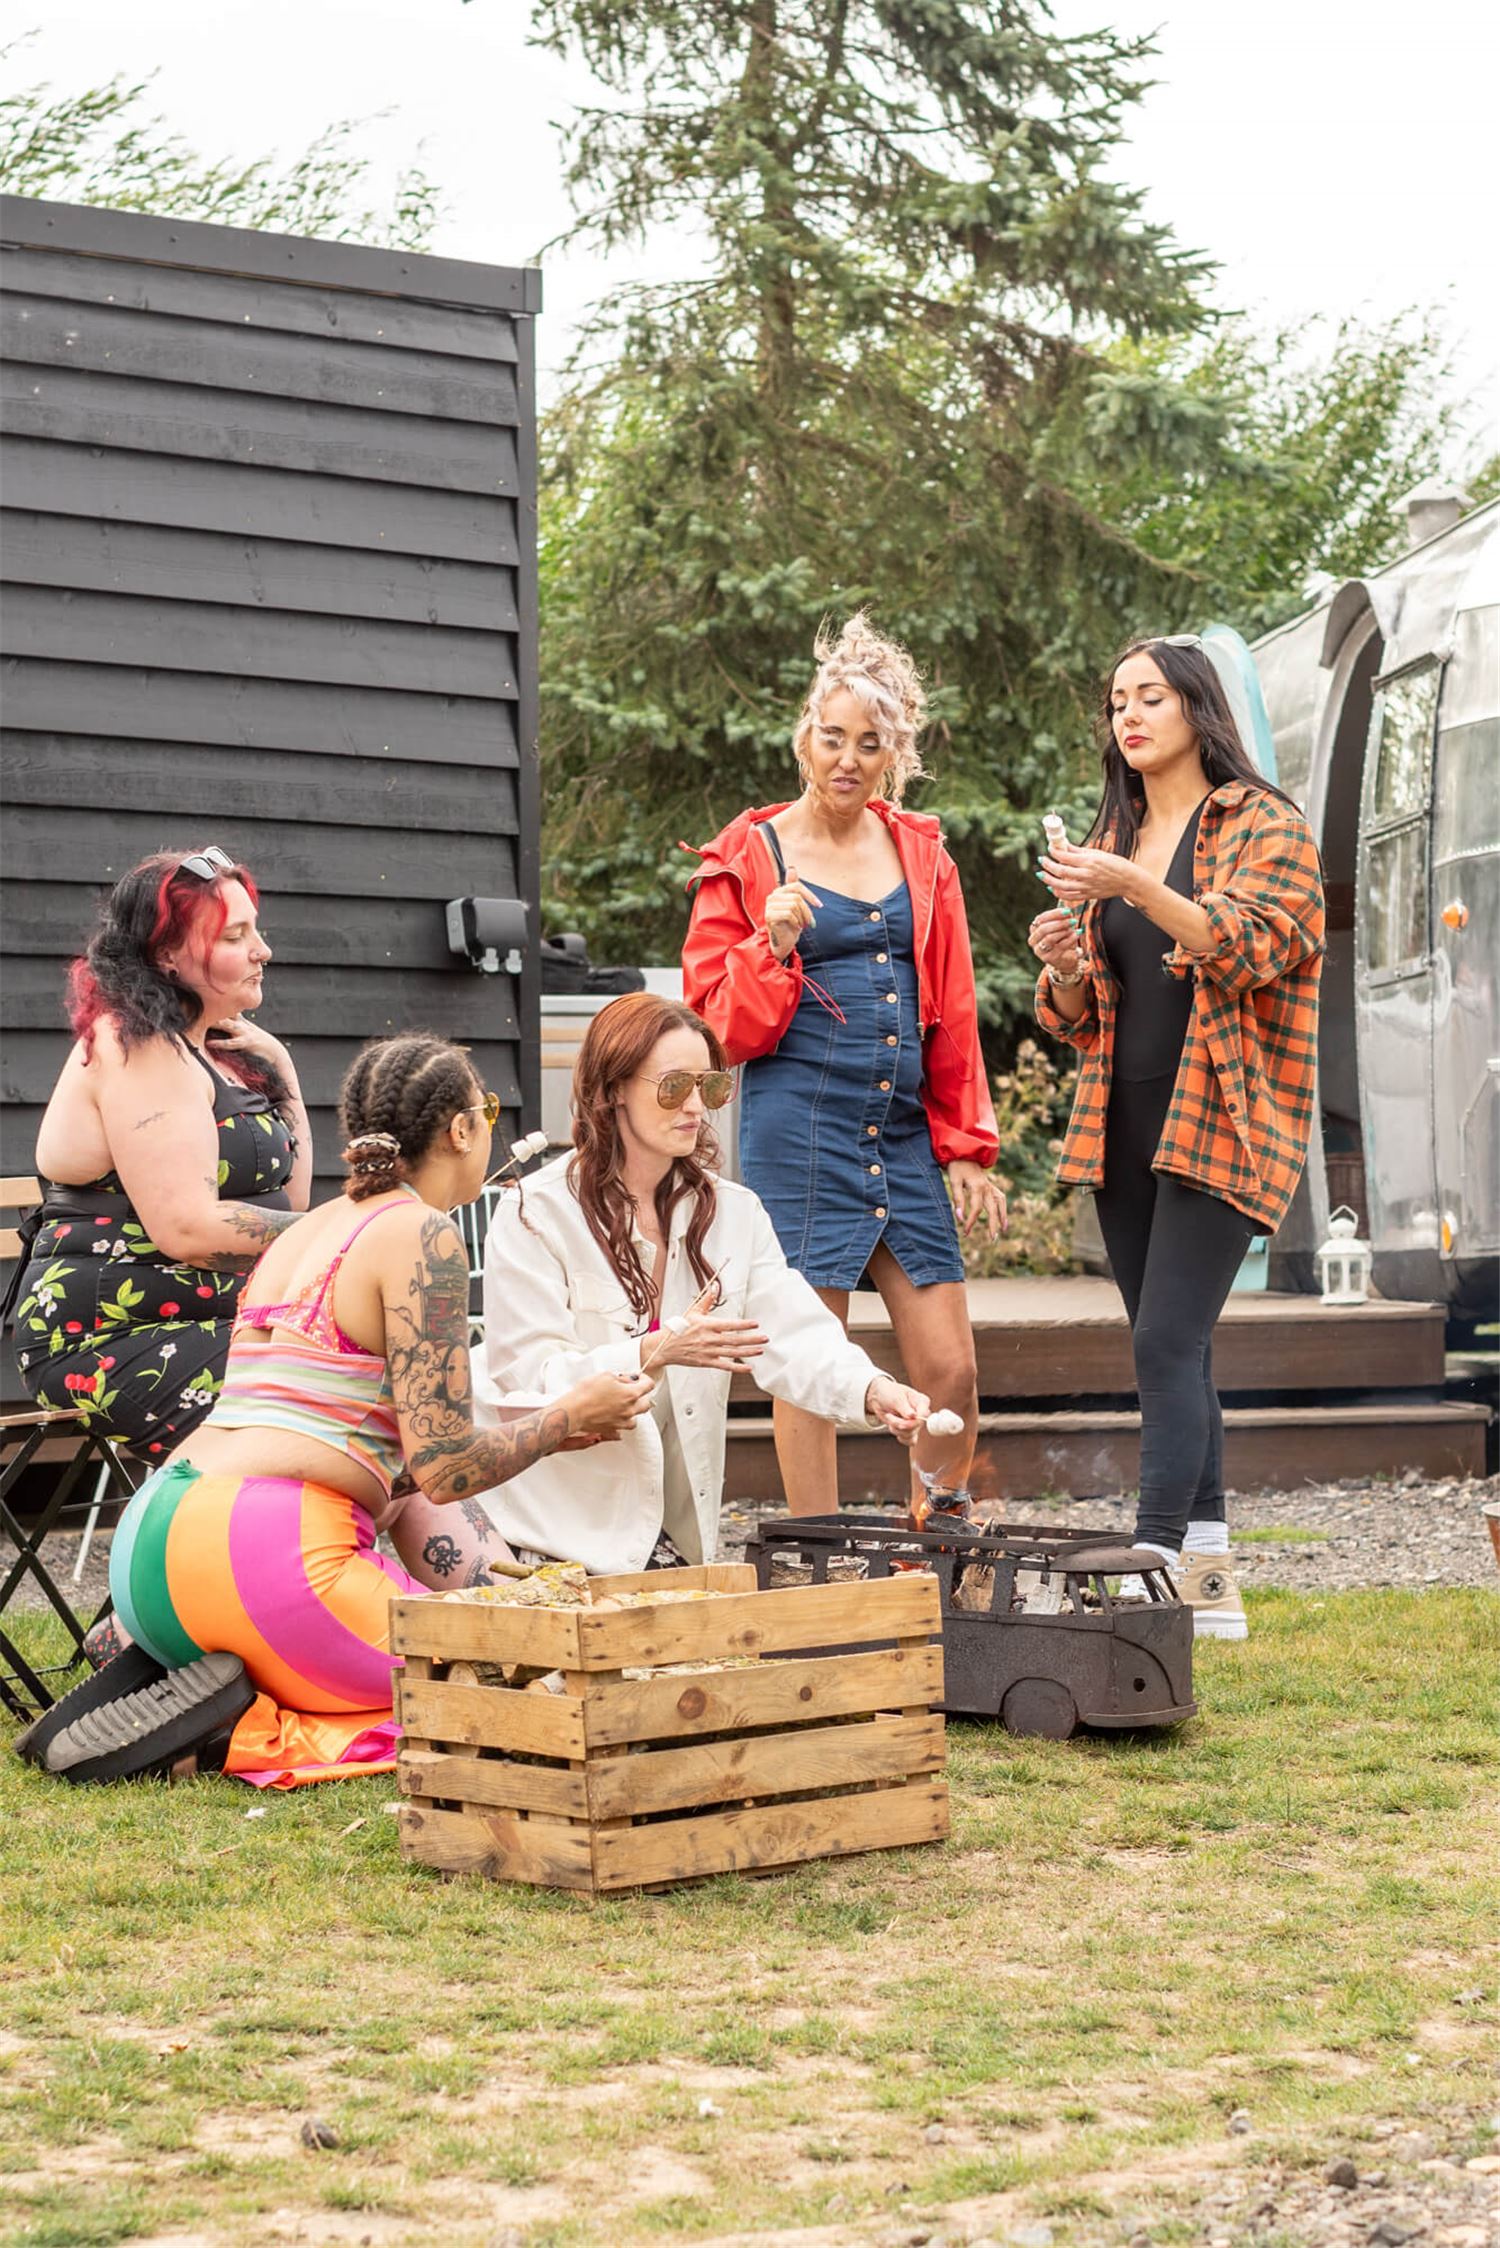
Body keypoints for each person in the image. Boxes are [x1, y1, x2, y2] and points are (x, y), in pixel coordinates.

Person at [18, 1034, 654, 1786]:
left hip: (157, 1545)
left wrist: (550, 1430)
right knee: (509, 1687)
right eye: (487, 1111)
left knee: (475, 1659)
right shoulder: (423, 1234)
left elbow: (363, 1452)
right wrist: (563, 1417)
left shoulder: (310, 1231)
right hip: (264, 1557)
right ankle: (230, 1733)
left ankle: (198, 1678)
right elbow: (446, 1470)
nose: (492, 1129)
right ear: (459, 1130)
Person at [1029, 634, 1324, 1639]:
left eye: (1150, 695)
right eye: (1118, 700)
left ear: (1198, 707)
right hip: (1124, 1122)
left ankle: (1149, 1571)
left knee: (1165, 1338)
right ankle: (1208, 1591)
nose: (1130, 714)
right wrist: (1067, 958)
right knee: (1179, 1353)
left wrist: (1135, 887)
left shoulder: (1262, 823)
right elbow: (1079, 1017)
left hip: (1226, 1115)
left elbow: (1251, 943)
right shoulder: (1116, 830)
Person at [681, 613, 1003, 1518]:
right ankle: (818, 1559)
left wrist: (967, 1143)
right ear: (804, 739)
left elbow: (955, 1005)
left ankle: (939, 1545)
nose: (848, 759)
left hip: (898, 1135)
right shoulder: (750, 856)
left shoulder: (921, 853)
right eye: (833, 738)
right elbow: (718, 1027)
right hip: (801, 1128)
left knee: (951, 1365)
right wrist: (773, 941)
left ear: (893, 753)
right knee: (811, 1357)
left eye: (871, 743)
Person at [472, 993, 932, 1572]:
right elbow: (525, 1381)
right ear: (611, 1089)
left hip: (672, 1524)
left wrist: (872, 1389)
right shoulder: (533, 1211)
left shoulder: (734, 1213)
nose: (695, 1106)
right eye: (673, 1087)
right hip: (555, 1522)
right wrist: (651, 1350)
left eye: (711, 1088)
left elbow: (791, 1331)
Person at [9, 846, 309, 1456]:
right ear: (168, 956)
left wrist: (284, 1069)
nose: (263, 951)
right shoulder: (136, 1043)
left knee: (378, 1389)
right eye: (235, 935)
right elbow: (187, 1229)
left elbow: (286, 1202)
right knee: (336, 1403)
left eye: (258, 930)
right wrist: (341, 1234)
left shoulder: (222, 1054)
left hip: (223, 1321)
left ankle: (491, 1558)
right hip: (112, 1334)